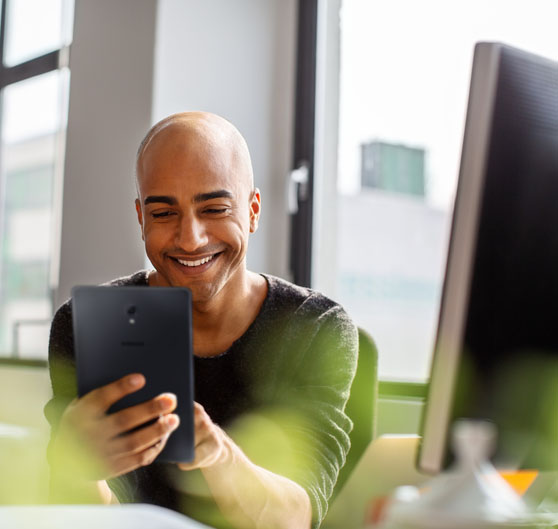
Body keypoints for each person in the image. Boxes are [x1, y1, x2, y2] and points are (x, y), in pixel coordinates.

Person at [45, 112, 358, 529]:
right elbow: (90, 517)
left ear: (252, 210)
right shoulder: (83, 326)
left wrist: (216, 454)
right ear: (141, 218)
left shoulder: (314, 329)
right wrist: (77, 468)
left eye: (213, 208)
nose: (190, 238)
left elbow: (296, 518)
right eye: (163, 213)